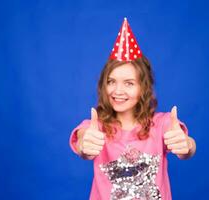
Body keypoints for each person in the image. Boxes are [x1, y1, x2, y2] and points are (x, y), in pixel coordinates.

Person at [69, 18, 196, 200]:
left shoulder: (162, 123)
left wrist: (187, 145)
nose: (118, 91)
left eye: (128, 83)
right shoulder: (94, 127)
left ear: (143, 88)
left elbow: (186, 146)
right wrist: (85, 144)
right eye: (111, 81)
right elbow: (83, 142)